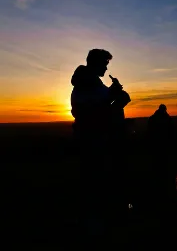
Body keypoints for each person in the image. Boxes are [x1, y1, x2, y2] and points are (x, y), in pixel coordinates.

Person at [71, 49, 131, 234]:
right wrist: (115, 97)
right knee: (93, 179)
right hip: (92, 139)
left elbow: (104, 104)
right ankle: (91, 223)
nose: (106, 67)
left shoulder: (94, 83)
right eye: (104, 64)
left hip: (101, 138)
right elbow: (91, 109)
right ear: (95, 63)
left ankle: (98, 218)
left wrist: (116, 97)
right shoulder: (85, 83)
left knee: (100, 179)